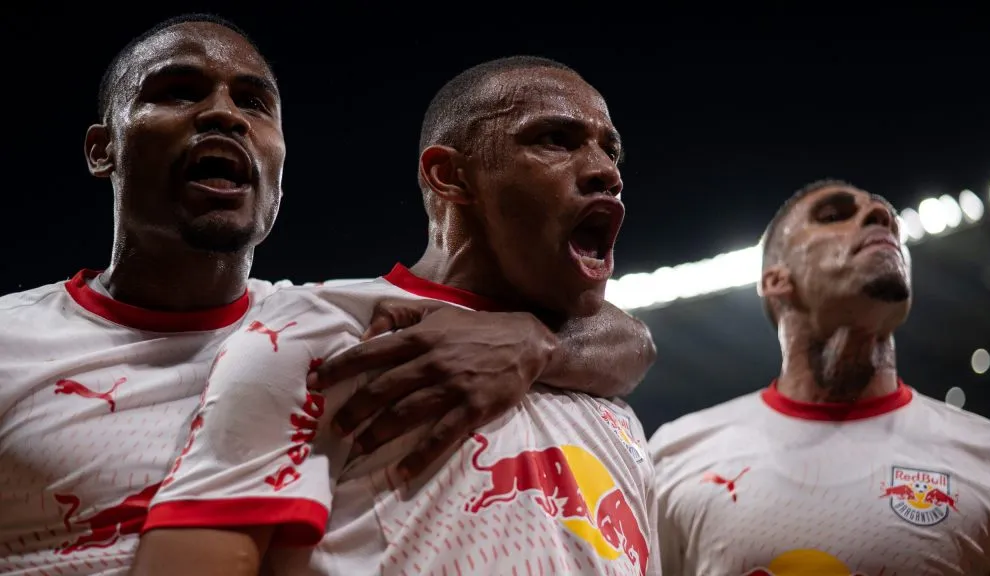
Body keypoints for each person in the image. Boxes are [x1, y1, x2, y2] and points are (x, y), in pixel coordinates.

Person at [0, 17, 655, 575]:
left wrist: (534, 342)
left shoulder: (335, 325)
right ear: (102, 148)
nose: (224, 113)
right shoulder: (13, 341)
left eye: (255, 103)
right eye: (177, 92)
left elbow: (628, 340)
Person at [650, 180, 990, 575]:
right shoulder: (678, 455)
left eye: (887, 217)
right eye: (833, 216)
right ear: (776, 280)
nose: (881, 216)